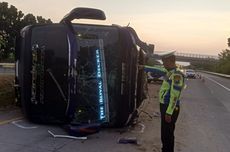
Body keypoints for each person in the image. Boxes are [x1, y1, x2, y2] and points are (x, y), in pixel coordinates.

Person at [139, 51, 185, 152]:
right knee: (165, 133)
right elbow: (158, 69)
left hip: (170, 108)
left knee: (167, 134)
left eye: (164, 62)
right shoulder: (170, 72)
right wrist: (144, 67)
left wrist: (169, 112)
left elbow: (174, 96)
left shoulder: (177, 75)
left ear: (170, 61)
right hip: (165, 106)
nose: (163, 64)